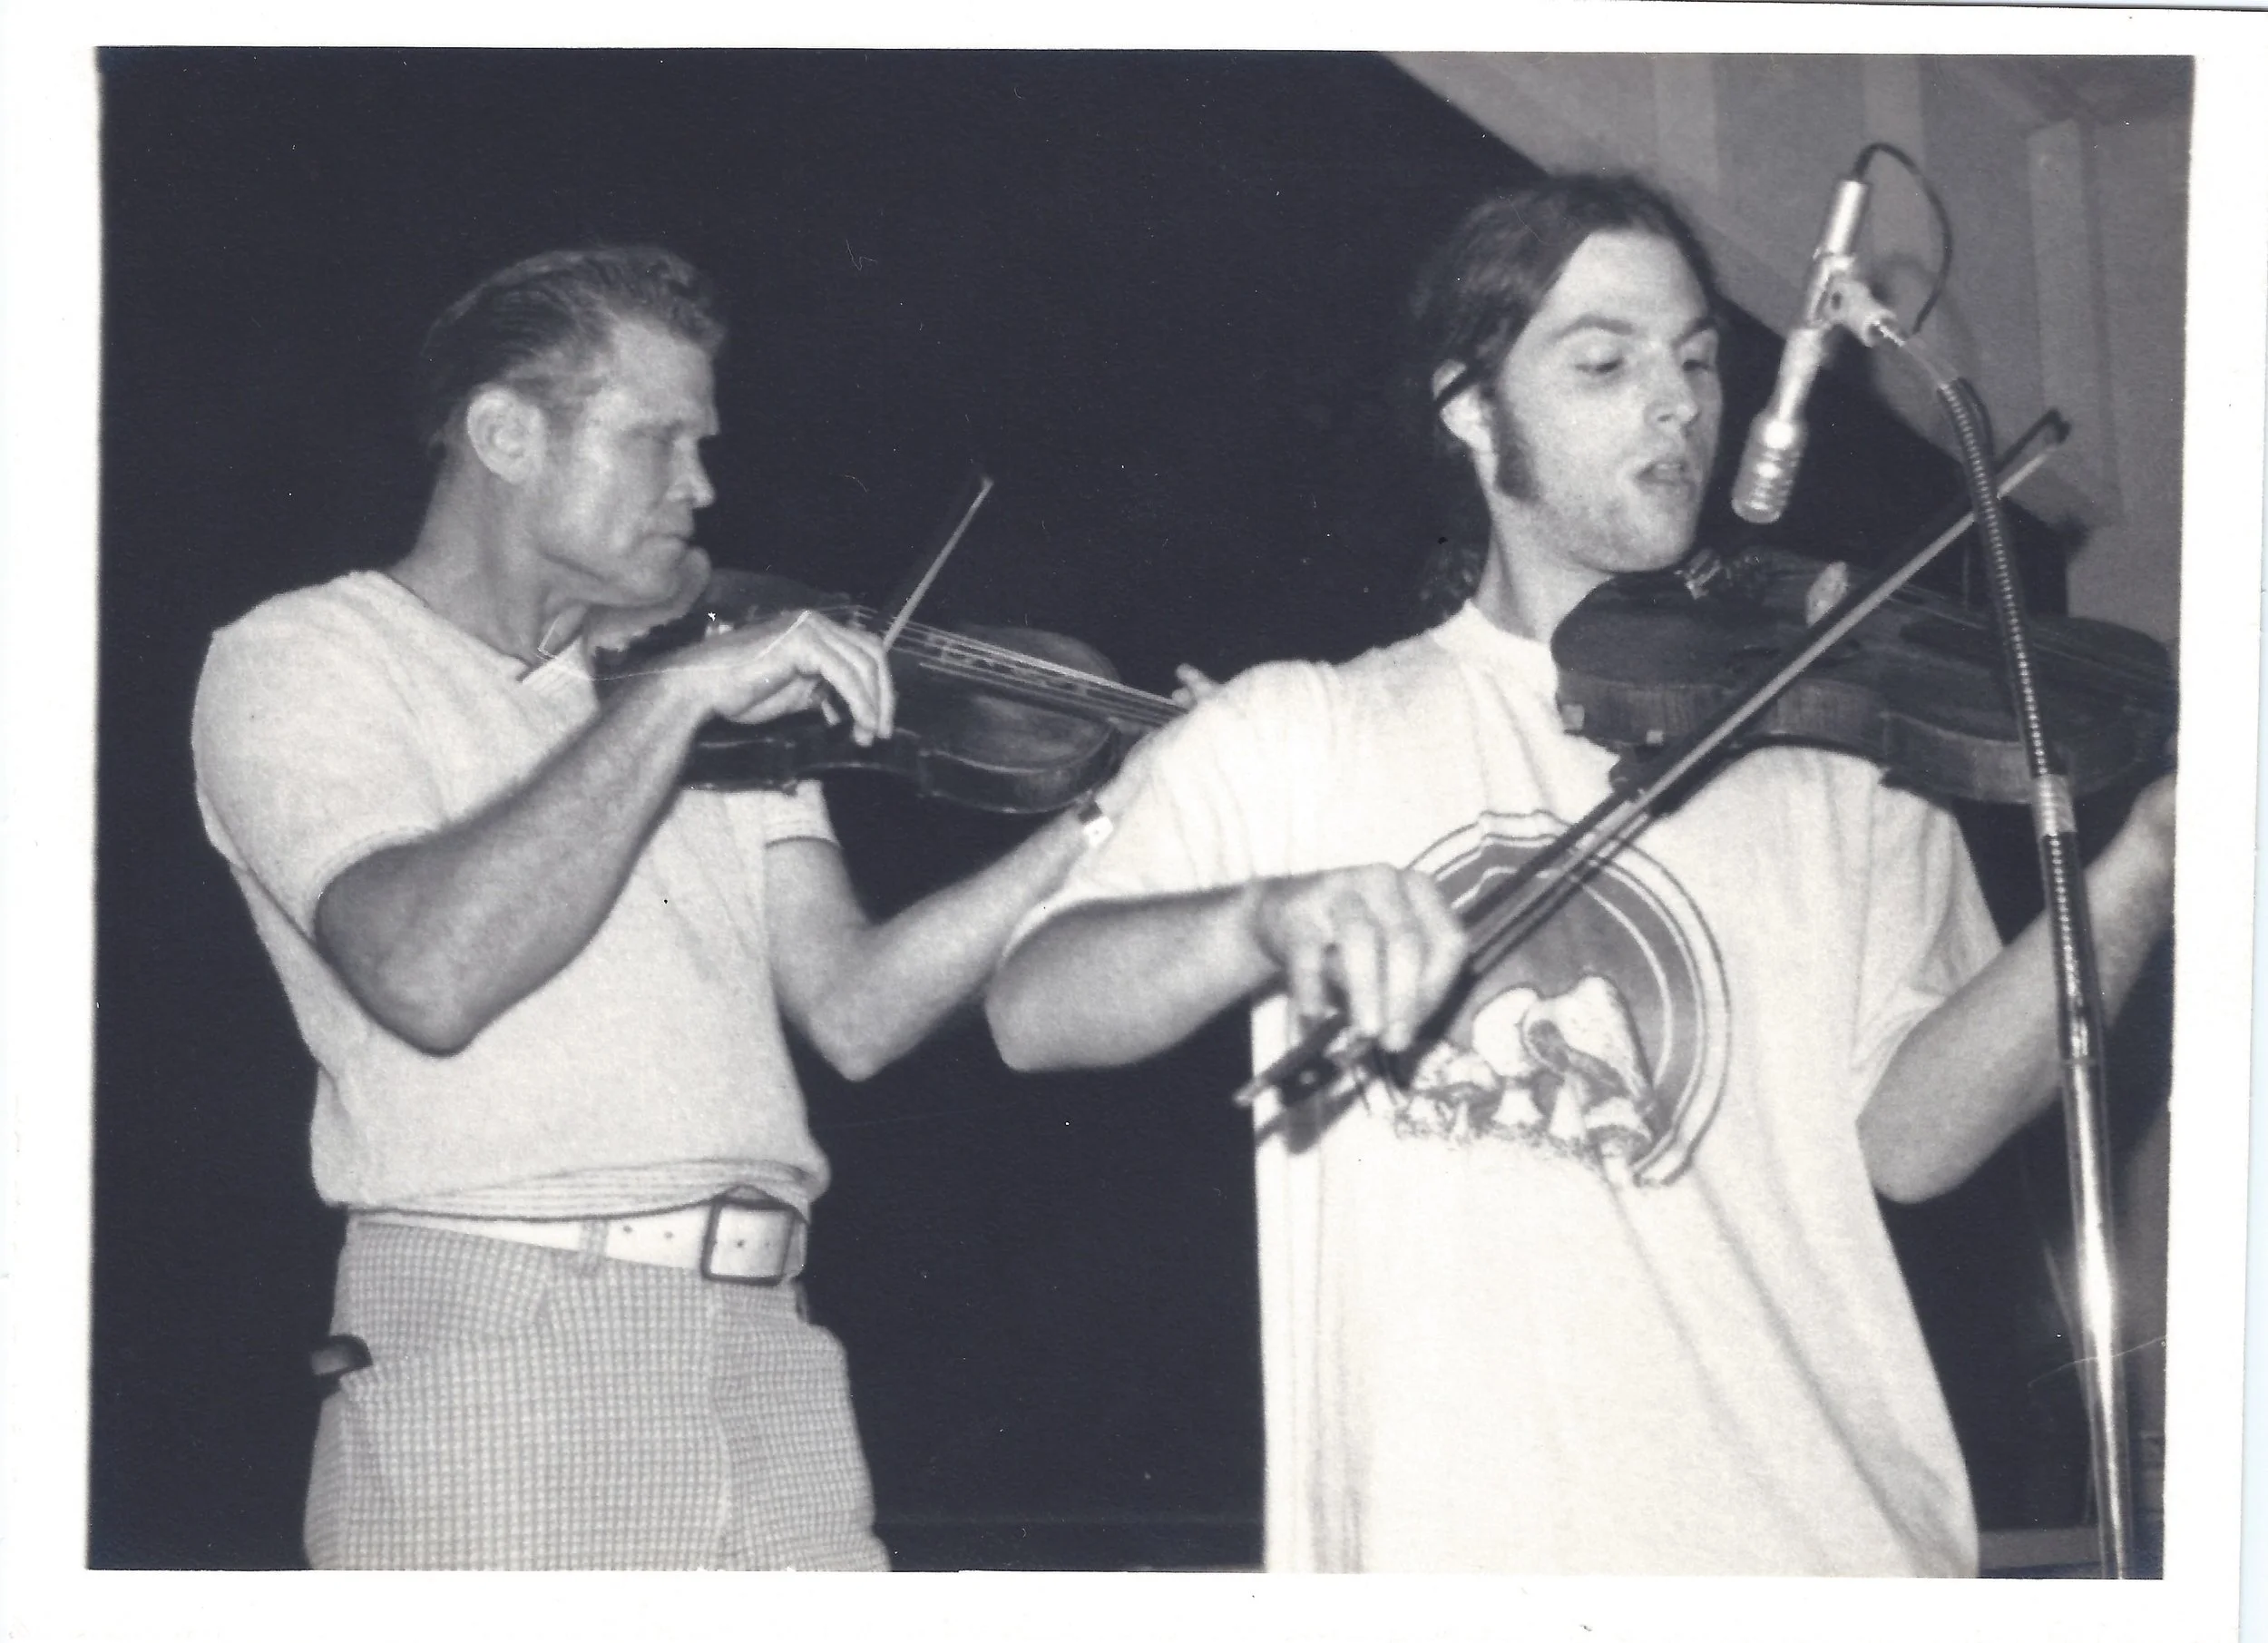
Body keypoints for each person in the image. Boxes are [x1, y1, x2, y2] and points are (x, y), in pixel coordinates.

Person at [986, 174, 2177, 1575]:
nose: (1677, 404)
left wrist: (2147, 864)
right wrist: (1261, 917)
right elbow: (1032, 1005)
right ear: (1470, 408)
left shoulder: (1839, 742)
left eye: (1697, 361)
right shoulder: (1298, 727)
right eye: (1605, 364)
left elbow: (1914, 1142)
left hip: (1825, 1557)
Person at [191, 245, 1178, 1570]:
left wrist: (1114, 813)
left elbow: (859, 1012)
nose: (701, 486)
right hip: (506, 1338)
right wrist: (674, 704)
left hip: (770, 1348)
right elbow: (424, 975)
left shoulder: (700, 682)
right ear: (504, 434)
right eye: (657, 439)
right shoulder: (307, 656)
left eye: (702, 445)